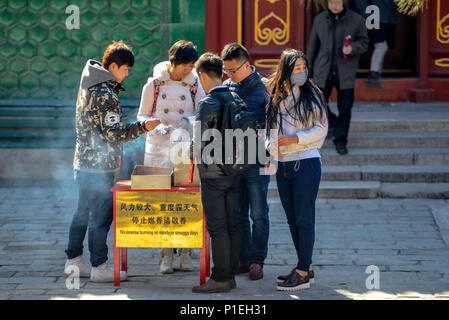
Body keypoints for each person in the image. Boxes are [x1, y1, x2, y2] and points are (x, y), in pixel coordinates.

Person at [64, 41, 161, 282]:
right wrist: (143, 127)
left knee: (82, 212)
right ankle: (99, 267)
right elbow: (114, 133)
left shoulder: (88, 84)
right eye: (125, 69)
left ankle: (74, 261)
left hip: (83, 162)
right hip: (98, 166)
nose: (126, 75)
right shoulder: (105, 93)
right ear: (114, 66)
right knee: (101, 216)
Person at [137, 40, 206, 274]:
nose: (188, 69)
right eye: (184, 64)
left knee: (187, 202)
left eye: (191, 65)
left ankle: (186, 253)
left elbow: (205, 115)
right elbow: (142, 115)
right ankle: (165, 255)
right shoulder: (154, 85)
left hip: (184, 148)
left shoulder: (195, 85)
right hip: (157, 147)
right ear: (173, 62)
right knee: (162, 202)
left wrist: (186, 124)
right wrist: (156, 128)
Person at [265, 49, 328, 291]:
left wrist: (296, 139)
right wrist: (271, 145)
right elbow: (268, 128)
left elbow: (321, 129)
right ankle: (306, 267)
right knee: (292, 220)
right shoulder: (275, 95)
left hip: (306, 162)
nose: (301, 72)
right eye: (297, 68)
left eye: (304, 67)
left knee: (304, 218)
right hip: (283, 165)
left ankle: (302, 272)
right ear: (286, 70)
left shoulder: (311, 95)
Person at [191, 53, 241, 293]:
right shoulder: (235, 98)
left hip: (212, 174)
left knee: (217, 227)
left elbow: (199, 144)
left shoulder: (207, 103)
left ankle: (220, 277)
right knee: (232, 225)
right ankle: (230, 275)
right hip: (234, 172)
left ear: (202, 75)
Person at [221, 43, 270, 280]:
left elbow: (274, 125)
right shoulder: (227, 87)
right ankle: (244, 256)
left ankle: (257, 261)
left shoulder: (264, 88)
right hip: (233, 158)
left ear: (247, 64)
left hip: (258, 158)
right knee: (238, 212)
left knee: (259, 213)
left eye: (233, 70)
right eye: (226, 70)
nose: (229, 75)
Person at [307, 0, 368, 155]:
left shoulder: (357, 20)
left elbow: (364, 42)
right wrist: (308, 72)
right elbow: (312, 47)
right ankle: (333, 123)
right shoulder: (320, 19)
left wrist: (352, 48)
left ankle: (340, 141)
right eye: (331, 2)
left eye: (337, 2)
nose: (334, 5)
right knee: (317, 104)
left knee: (345, 108)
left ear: (343, 2)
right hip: (323, 71)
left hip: (345, 72)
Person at [355, 0, 398, 88]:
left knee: (382, 46)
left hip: (387, 17)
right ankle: (373, 76)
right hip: (374, 15)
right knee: (381, 45)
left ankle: (376, 75)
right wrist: (367, 14)